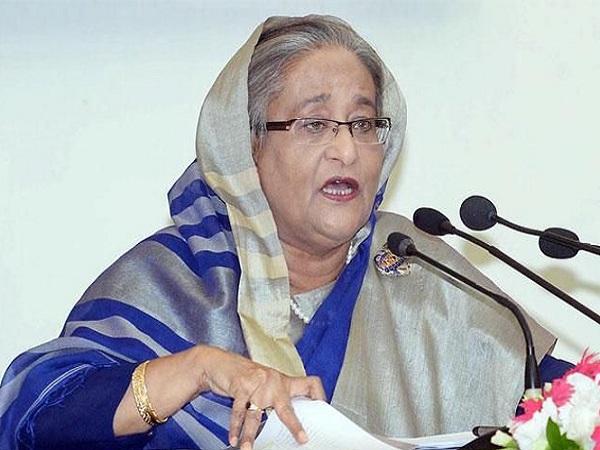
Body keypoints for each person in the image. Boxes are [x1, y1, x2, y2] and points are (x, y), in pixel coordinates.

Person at [0, 14, 569, 450]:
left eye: (364, 123)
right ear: (247, 145)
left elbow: (568, 405)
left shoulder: (416, 262)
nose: (346, 149)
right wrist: (198, 368)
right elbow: (34, 414)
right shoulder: (175, 278)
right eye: (315, 123)